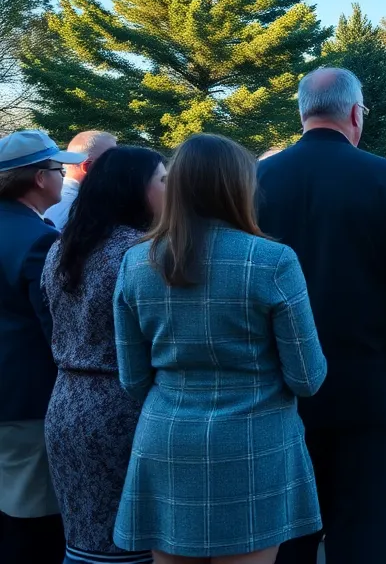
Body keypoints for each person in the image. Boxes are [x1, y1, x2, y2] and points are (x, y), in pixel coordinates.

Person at [112, 134, 327, 562]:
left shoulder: (136, 261)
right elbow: (307, 378)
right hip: (254, 443)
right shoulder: (273, 260)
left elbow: (132, 378)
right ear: (239, 186)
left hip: (167, 439)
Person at [259, 68, 386, 564]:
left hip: (279, 382)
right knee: (364, 526)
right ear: (355, 114)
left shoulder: (259, 178)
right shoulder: (385, 177)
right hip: (371, 380)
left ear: (301, 113)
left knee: (288, 527)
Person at [41, 147, 165, 564]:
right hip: (124, 405)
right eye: (162, 181)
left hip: (66, 403)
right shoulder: (143, 253)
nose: (170, 190)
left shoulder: (64, 247)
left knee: (82, 539)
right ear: (135, 189)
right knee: (130, 543)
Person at [0, 131, 84, 564]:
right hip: (27, 401)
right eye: (57, 168)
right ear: (38, 178)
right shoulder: (39, 241)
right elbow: (57, 327)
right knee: (31, 518)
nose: (63, 176)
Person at [43, 131, 116, 229]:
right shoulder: (75, 209)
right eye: (112, 162)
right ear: (87, 166)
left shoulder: (51, 199)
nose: (118, 168)